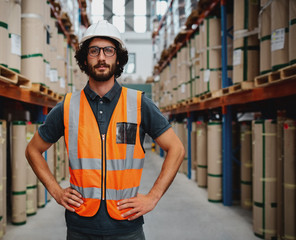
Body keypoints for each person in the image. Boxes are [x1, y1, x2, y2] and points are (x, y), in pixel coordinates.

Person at [25, 20, 185, 240]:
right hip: (80, 226)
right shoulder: (68, 106)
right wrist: (56, 190)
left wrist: (153, 197)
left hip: (127, 226)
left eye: (108, 51)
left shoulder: (138, 103)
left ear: (118, 58)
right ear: (84, 58)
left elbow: (176, 148)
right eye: (94, 51)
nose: (101, 57)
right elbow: (33, 150)